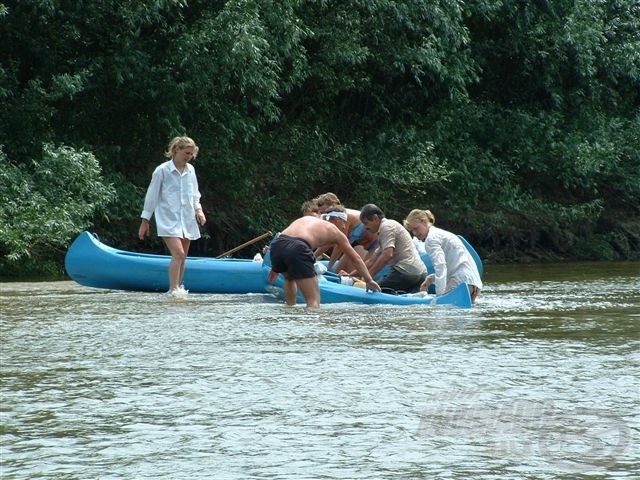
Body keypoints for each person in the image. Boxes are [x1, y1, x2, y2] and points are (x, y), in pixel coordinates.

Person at [267, 208, 381, 308]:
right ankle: (312, 330)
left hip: (278, 246)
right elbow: (355, 258)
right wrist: (369, 280)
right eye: (344, 222)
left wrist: (276, 267)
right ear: (337, 220)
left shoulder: (306, 220)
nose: (345, 226)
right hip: (298, 247)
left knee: (289, 279)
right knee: (313, 300)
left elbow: (289, 242)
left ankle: (289, 311)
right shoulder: (334, 230)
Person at [138, 136, 206, 297]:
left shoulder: (191, 170)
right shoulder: (162, 170)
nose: (188, 157)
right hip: (168, 219)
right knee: (178, 254)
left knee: (183, 257)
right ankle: (173, 289)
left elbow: (195, 194)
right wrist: (145, 220)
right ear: (176, 150)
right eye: (186, 153)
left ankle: (179, 289)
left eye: (191, 154)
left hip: (187, 218)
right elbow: (151, 196)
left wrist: (199, 210)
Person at [403, 209, 483, 304]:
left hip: (460, 283)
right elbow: (453, 265)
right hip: (474, 284)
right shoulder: (442, 234)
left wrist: (439, 296)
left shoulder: (431, 239)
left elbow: (440, 266)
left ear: (424, 221)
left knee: (442, 311)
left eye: (416, 228)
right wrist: (431, 279)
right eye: (412, 230)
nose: (414, 233)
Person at [358, 204, 427, 293]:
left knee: (372, 291)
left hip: (406, 272)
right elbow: (371, 261)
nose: (365, 227)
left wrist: (368, 278)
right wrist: (350, 274)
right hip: (421, 274)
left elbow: (387, 255)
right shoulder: (387, 230)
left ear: (375, 218)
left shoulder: (386, 227)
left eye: (366, 223)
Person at [314, 192, 371, 272]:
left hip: (366, 245)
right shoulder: (332, 218)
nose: (325, 216)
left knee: (339, 270)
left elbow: (339, 246)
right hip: (356, 245)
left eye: (326, 212)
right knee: (337, 268)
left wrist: (330, 267)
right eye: (322, 213)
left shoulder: (342, 217)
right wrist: (313, 256)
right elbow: (329, 243)